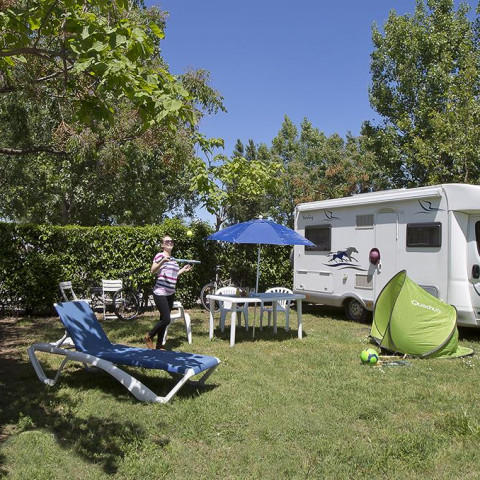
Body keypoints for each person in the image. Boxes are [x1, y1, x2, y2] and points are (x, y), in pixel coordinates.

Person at [144, 235, 192, 349]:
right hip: (160, 292)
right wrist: (162, 261)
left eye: (171, 241)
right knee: (166, 319)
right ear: (162, 245)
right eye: (167, 241)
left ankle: (159, 345)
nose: (170, 243)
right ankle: (149, 336)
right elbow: (152, 271)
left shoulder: (173, 259)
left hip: (170, 293)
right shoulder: (159, 256)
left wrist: (183, 270)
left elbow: (173, 275)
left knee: (163, 320)